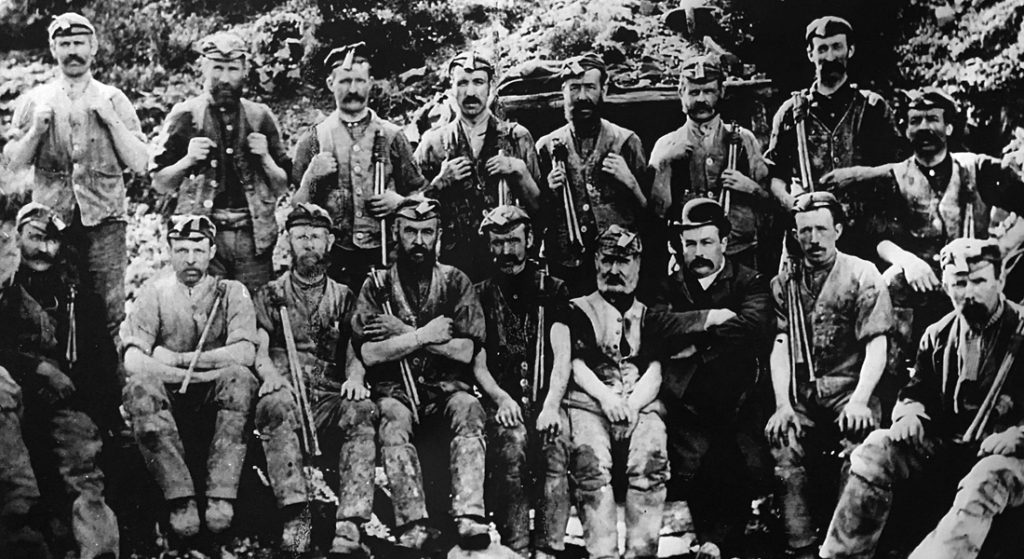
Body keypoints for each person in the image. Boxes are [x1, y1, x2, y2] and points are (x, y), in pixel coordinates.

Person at [819, 238, 1024, 559]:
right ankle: (842, 555)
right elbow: (915, 392)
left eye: (980, 281)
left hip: (1010, 458)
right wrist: (909, 415)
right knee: (876, 448)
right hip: (952, 448)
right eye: (959, 283)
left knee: (987, 477)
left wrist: (1017, 435)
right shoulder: (939, 335)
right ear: (945, 285)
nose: (969, 293)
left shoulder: (1021, 329)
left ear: (1000, 280)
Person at [350, 196, 491, 551]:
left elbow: (466, 349)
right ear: (396, 231)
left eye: (427, 232)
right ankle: (412, 524)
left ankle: (469, 516)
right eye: (410, 231)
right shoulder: (377, 286)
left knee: (469, 408)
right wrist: (422, 335)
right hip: (395, 392)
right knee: (393, 420)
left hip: (447, 389)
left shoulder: (456, 282)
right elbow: (367, 352)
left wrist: (403, 334)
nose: (418, 241)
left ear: (438, 235)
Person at [121, 216, 269, 540]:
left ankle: (221, 496)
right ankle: (180, 499)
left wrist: (182, 360)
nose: (190, 259)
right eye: (182, 250)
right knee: (140, 388)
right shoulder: (154, 292)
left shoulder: (232, 292)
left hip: (214, 396)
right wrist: (175, 373)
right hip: (169, 397)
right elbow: (133, 359)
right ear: (170, 252)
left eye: (199, 250)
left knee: (240, 379)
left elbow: (244, 353)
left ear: (212, 251)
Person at [3, 12, 148, 341]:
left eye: (79, 43)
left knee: (108, 313)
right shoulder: (33, 101)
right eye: (64, 44)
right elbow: (11, 168)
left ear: (93, 47)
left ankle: (109, 388)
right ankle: (54, 383)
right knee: (47, 306)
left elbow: (140, 162)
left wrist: (111, 121)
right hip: (50, 223)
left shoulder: (114, 99)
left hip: (106, 222)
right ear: (53, 49)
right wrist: (36, 132)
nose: (72, 51)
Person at [764, 192, 893, 559]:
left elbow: (876, 346)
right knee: (782, 439)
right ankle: (801, 546)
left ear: (838, 230)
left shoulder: (862, 273)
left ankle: (845, 551)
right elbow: (779, 344)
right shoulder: (785, 282)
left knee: (862, 446)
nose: (813, 240)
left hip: (850, 390)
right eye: (805, 231)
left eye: (821, 229)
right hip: (803, 392)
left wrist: (859, 400)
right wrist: (782, 404)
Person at [646, 198, 773, 556]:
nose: (698, 252)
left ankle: (715, 544)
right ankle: (711, 544)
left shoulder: (750, 280)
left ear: (724, 243)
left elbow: (754, 327)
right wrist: (711, 317)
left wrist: (697, 348)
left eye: (706, 242)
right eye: (690, 244)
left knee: (740, 462)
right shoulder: (669, 286)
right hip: (687, 407)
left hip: (740, 401)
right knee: (697, 466)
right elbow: (654, 324)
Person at [867, 88, 1024, 374]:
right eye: (915, 121)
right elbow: (880, 239)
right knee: (888, 283)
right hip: (921, 282)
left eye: (932, 119)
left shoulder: (978, 168)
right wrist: (908, 261)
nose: (924, 127)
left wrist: (997, 253)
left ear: (949, 127)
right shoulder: (895, 177)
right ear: (905, 130)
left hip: (972, 277)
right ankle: (895, 383)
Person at [251, 203, 376, 558]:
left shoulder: (343, 295)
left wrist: (355, 374)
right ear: (288, 241)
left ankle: (349, 526)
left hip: (327, 394)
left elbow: (355, 346)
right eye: (301, 236)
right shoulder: (271, 293)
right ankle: (297, 523)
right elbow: (259, 349)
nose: (308, 244)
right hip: (288, 390)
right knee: (272, 406)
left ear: (330, 241)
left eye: (316, 237)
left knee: (362, 410)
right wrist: (270, 374)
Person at [0, 192, 119, 559]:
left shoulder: (78, 296)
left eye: (52, 239)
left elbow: (100, 362)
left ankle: (99, 549)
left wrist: (91, 409)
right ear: (17, 237)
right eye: (35, 237)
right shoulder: (4, 289)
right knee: (15, 478)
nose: (44, 249)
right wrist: (38, 368)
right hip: (12, 400)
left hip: (63, 404)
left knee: (83, 465)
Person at [150, 32, 290, 293]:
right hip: (200, 239)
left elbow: (282, 185)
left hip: (252, 239)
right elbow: (159, 182)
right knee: (203, 317)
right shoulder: (184, 115)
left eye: (232, 69)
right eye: (217, 68)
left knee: (256, 313)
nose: (225, 78)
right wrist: (188, 160)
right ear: (203, 67)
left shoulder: (261, 117)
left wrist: (265, 157)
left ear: (244, 70)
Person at [471, 205, 571, 559]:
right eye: (498, 243)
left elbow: (562, 355)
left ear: (530, 241)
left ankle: (548, 546)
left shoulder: (552, 288)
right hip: (504, 402)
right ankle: (516, 548)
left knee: (555, 447)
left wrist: (552, 405)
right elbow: (478, 363)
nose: (506, 252)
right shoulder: (480, 293)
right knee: (510, 447)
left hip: (547, 401)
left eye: (514, 241)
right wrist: (500, 399)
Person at [563, 224, 668, 559]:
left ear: (637, 263)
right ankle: (603, 553)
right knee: (589, 464)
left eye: (623, 261)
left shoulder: (651, 309)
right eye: (607, 260)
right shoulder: (577, 307)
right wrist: (607, 400)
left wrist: (633, 404)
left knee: (651, 458)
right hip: (590, 400)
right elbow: (574, 365)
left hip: (640, 399)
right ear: (595, 260)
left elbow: (657, 367)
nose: (614, 270)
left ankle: (641, 552)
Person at [764, 16, 902, 261]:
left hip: (865, 234)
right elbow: (775, 175)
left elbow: (900, 169)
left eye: (837, 47)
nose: (829, 57)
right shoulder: (790, 112)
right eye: (822, 49)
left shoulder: (872, 108)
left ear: (851, 50)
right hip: (809, 238)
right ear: (810, 54)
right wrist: (793, 204)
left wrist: (857, 175)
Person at [292, 42, 428, 291]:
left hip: (384, 255)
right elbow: (296, 210)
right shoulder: (313, 139)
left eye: (359, 80)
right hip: (333, 261)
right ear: (330, 84)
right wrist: (311, 176)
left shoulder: (392, 136)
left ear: (370, 83)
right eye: (344, 81)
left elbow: (420, 196)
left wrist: (399, 202)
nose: (352, 89)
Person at [416, 51, 543, 282]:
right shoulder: (433, 143)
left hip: (507, 262)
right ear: (451, 88)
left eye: (478, 82)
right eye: (462, 83)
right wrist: (439, 183)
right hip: (453, 268)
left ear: (491, 87)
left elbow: (539, 209)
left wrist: (520, 172)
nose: (471, 92)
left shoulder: (517, 138)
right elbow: (413, 210)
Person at [536, 54, 650, 295]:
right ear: (563, 92)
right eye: (574, 88)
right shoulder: (545, 147)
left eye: (590, 87)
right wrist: (548, 191)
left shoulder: (627, 142)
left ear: (603, 90)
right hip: (568, 267)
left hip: (616, 264)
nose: (582, 97)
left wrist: (630, 182)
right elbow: (537, 217)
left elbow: (650, 215)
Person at [649, 55, 771, 271]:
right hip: (687, 258)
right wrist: (665, 163)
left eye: (709, 91)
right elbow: (657, 213)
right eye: (694, 92)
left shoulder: (744, 140)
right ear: (681, 94)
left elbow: (767, 203)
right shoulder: (665, 145)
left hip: (738, 253)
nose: (701, 100)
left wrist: (749, 187)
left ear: (721, 92)